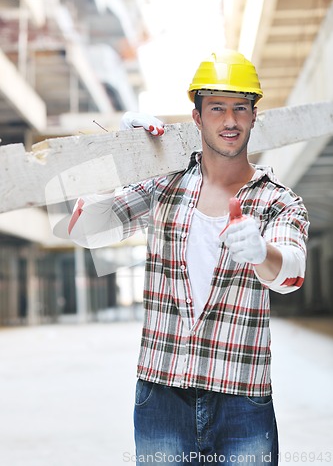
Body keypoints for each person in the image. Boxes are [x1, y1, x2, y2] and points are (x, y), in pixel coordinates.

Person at [55, 50, 309, 465]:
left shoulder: (278, 202)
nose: (230, 121)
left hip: (242, 395)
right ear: (197, 117)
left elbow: (290, 273)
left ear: (254, 115)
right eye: (217, 109)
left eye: (240, 109)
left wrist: (263, 252)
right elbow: (86, 229)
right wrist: (121, 155)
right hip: (162, 393)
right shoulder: (164, 187)